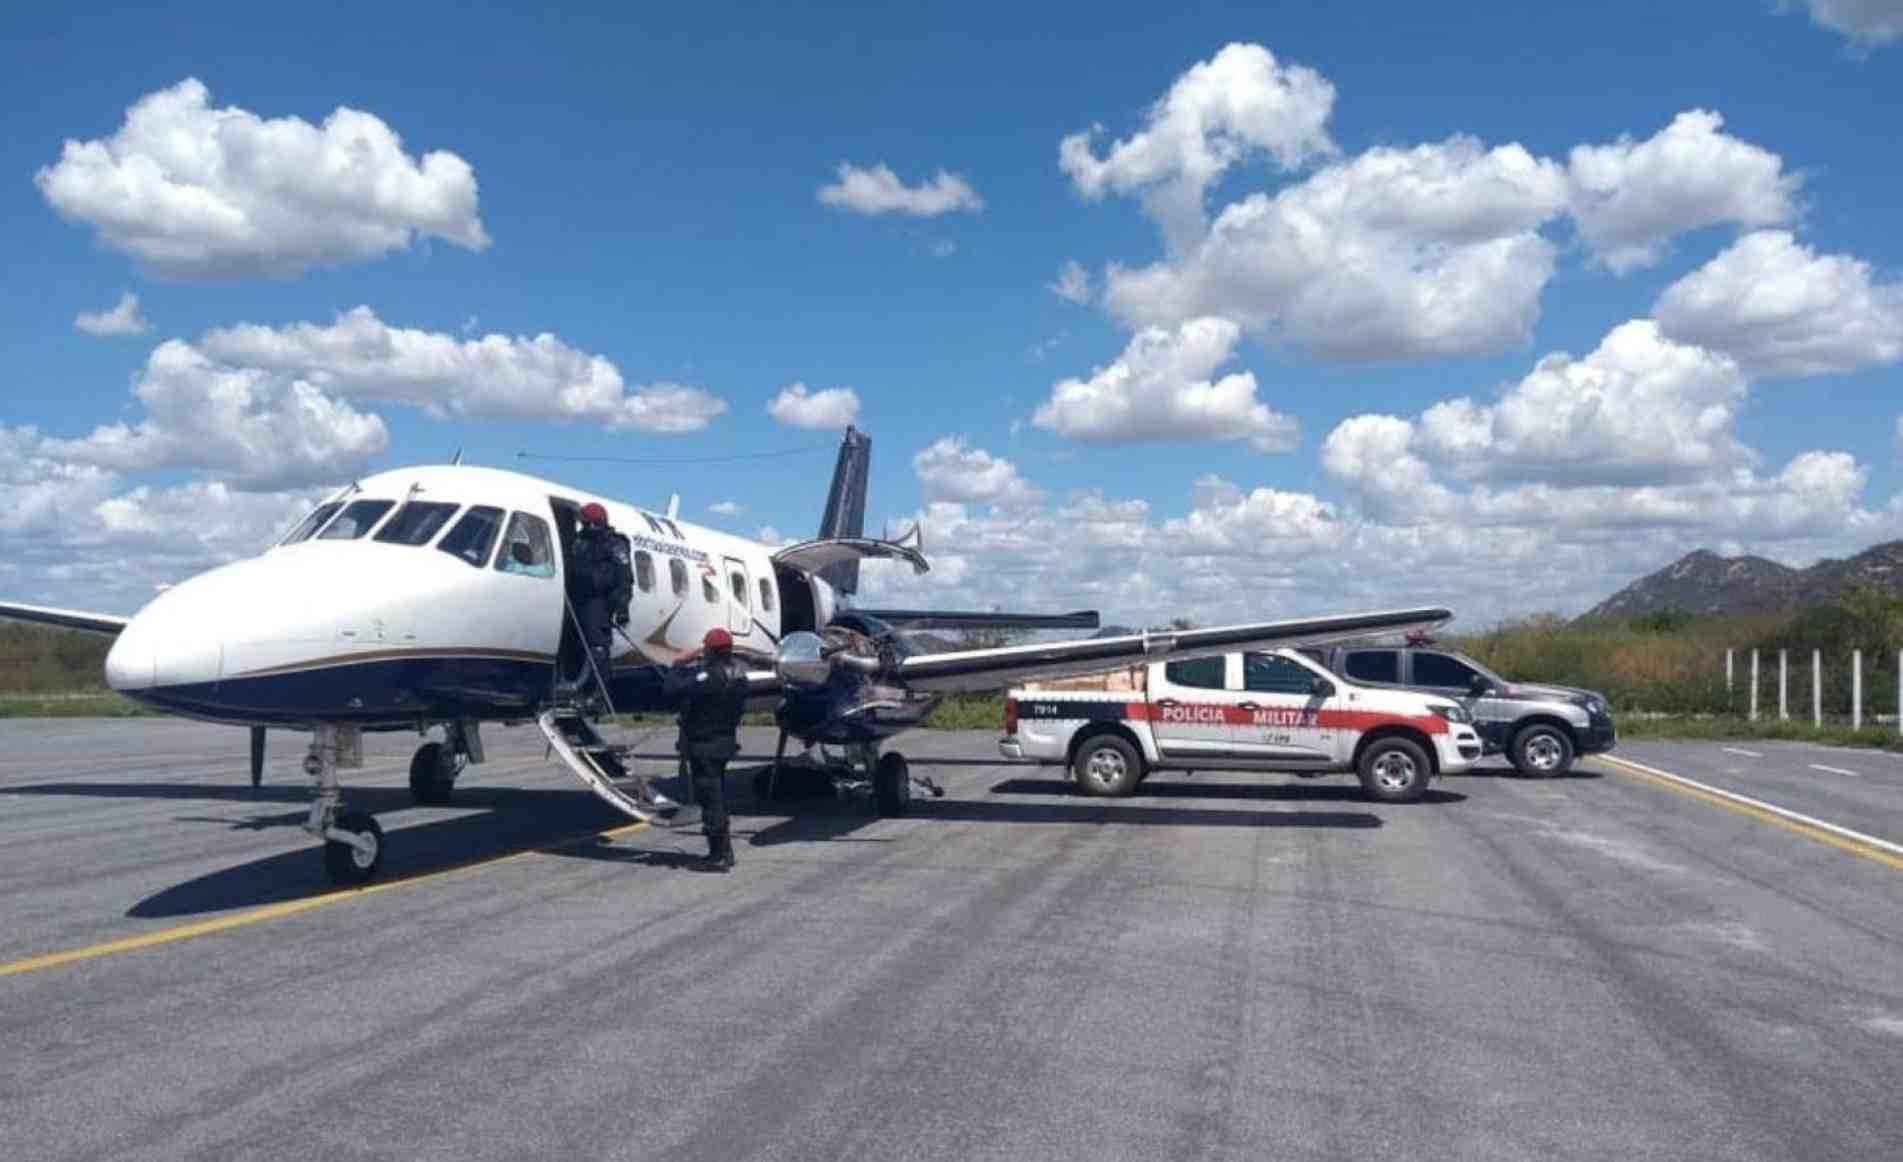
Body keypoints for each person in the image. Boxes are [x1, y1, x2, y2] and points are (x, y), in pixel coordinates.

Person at [664, 627, 750, 872]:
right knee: (717, 797)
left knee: (710, 800)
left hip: (704, 746)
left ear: (711, 650)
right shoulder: (739, 677)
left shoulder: (708, 678)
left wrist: (679, 663)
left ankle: (718, 855)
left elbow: (671, 690)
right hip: (723, 744)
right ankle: (724, 852)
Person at [564, 502, 633, 705]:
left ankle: (598, 692)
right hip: (578, 599)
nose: (582, 527)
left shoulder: (614, 544)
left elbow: (625, 578)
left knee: (598, 646)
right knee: (574, 643)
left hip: (598, 601)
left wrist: (622, 608)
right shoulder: (578, 542)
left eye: (585, 523)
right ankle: (574, 687)